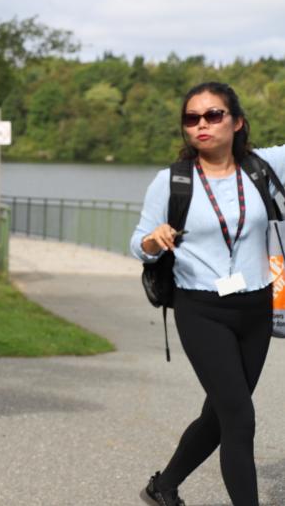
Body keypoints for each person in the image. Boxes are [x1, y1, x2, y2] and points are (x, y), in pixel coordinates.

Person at [132, 82, 285, 506]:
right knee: (240, 417)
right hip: (200, 309)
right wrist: (152, 240)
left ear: (237, 122)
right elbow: (136, 241)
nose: (201, 124)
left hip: (257, 307)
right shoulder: (171, 181)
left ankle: (163, 487)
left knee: (220, 413)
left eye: (213, 115)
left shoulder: (264, 167)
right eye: (191, 118)